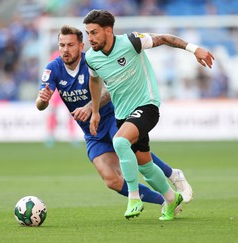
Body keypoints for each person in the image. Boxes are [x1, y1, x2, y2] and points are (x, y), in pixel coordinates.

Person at [36, 25, 192, 217]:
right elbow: (40, 105)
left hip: (110, 119)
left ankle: (172, 175)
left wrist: (91, 107)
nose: (65, 50)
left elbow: (111, 91)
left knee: (136, 155)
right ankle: (167, 200)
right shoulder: (53, 68)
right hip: (91, 132)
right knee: (112, 180)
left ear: (81, 46)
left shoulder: (94, 61)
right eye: (61, 45)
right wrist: (42, 100)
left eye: (70, 45)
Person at [83, 10, 214, 220]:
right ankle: (171, 200)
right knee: (146, 166)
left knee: (119, 141)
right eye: (88, 33)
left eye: (94, 32)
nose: (90, 38)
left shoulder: (131, 42)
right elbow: (95, 80)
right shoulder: (91, 57)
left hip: (147, 105)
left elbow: (163, 38)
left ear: (108, 31)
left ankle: (134, 197)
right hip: (123, 114)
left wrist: (194, 49)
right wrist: (96, 111)